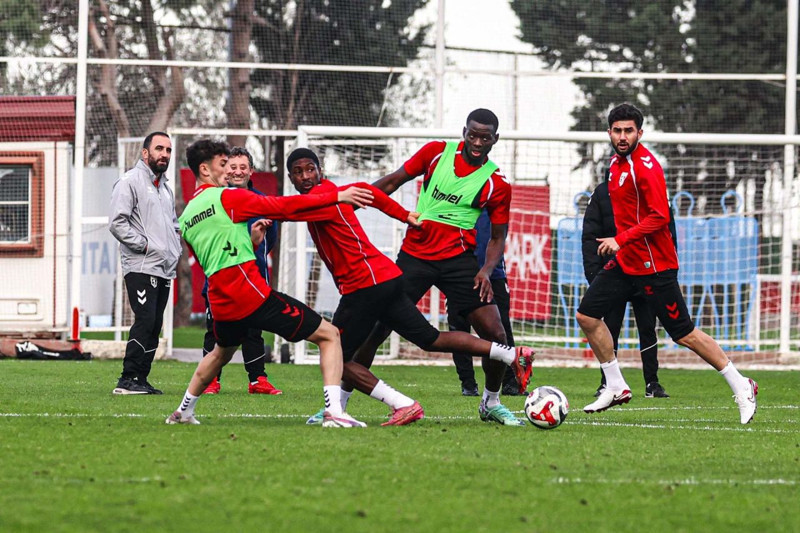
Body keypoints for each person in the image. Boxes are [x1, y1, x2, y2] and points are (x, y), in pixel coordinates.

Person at [283, 148, 533, 427]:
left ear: (320, 171)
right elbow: (378, 188)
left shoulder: (495, 182)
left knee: (335, 350)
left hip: (381, 280)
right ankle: (511, 354)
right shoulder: (438, 154)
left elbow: (288, 209)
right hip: (405, 263)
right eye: (298, 172)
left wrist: (254, 210)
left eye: (310, 169)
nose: (305, 176)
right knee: (427, 338)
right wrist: (402, 215)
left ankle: (406, 404)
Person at [165, 139, 373, 427]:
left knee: (220, 353)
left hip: (221, 300)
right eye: (223, 164)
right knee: (330, 335)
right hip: (249, 295)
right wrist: (337, 197)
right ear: (204, 169)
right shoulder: (228, 198)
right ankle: (334, 412)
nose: (229, 171)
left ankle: (183, 411)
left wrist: (251, 243)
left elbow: (216, 254)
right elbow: (283, 206)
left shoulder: (186, 216)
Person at [348, 108, 535, 426]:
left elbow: (498, 237)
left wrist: (486, 270)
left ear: (495, 140)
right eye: (472, 134)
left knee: (497, 332)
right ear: (464, 132)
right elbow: (393, 181)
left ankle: (490, 402)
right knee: (377, 326)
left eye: (484, 137)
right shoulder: (435, 153)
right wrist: (354, 199)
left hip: (459, 263)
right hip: (415, 257)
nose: (477, 142)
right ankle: (339, 404)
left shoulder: (497, 184)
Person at [577, 103, 758, 424]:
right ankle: (616, 385)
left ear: (639, 133)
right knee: (587, 315)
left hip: (655, 265)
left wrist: (620, 239)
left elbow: (660, 216)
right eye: (617, 130)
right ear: (609, 133)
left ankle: (742, 384)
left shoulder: (646, 167)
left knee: (684, 334)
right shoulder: (616, 165)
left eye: (628, 131)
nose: (622, 136)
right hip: (626, 263)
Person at [200, 146, 282, 396]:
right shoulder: (213, 200)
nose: (237, 172)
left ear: (251, 171)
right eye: (232, 167)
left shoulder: (262, 202)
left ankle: (258, 380)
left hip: (254, 280)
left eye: (242, 167)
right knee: (215, 330)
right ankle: (210, 381)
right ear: (224, 170)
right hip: (220, 280)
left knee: (254, 331)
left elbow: (270, 241)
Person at [582, 179, 669, 399]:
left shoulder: (650, 189)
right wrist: (594, 275)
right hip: (614, 273)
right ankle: (607, 383)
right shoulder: (602, 192)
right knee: (609, 328)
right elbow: (590, 235)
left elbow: (667, 230)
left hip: (646, 270)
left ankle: (652, 383)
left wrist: (663, 270)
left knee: (648, 329)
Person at [109, 131, 181, 395]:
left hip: (163, 266)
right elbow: (117, 222)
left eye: (169, 150)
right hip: (140, 265)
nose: (164, 154)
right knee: (145, 319)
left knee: (155, 324)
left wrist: (173, 250)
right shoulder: (129, 181)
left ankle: (140, 379)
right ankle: (127, 379)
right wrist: (146, 245)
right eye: (159, 148)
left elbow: (173, 225)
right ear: (145, 153)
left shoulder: (166, 188)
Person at [448, 210, 522, 397]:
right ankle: (468, 383)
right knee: (458, 327)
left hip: (494, 274)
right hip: (460, 274)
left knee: (500, 329)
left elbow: (498, 236)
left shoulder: (494, 200)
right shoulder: (456, 200)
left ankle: (510, 382)